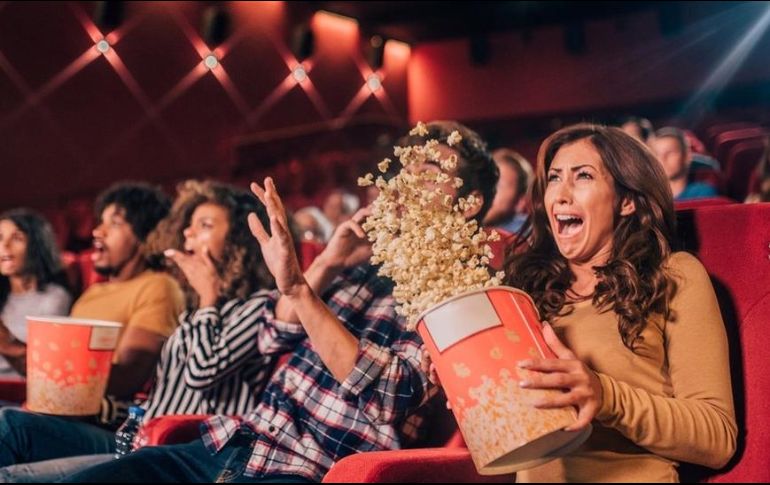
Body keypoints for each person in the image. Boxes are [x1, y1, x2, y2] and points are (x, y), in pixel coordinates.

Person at [63, 121, 500, 483]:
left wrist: (299, 291)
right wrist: (327, 261)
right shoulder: (359, 267)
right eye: (402, 171)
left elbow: (392, 393)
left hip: (306, 469)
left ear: (469, 204)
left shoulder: (463, 293)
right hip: (234, 444)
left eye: (426, 173)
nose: (404, 186)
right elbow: (273, 334)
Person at [428, 123, 736, 482]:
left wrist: (604, 396)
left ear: (627, 200)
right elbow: (513, 440)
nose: (559, 194)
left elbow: (718, 437)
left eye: (583, 176)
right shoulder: (521, 292)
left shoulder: (673, 275)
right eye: (554, 178)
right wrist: (469, 380)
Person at [0, 180, 280, 482]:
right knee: (9, 424)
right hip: (131, 434)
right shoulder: (195, 310)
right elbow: (156, 396)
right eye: (188, 225)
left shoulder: (256, 307)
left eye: (205, 225)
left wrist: (208, 299)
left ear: (240, 240)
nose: (188, 232)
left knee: (13, 472)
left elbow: (202, 372)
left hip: (176, 451)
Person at [0, 182, 185, 467]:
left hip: (115, 429)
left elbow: (126, 378)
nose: (98, 231)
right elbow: (55, 375)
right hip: (66, 417)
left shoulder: (158, 287)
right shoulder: (93, 293)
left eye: (115, 222)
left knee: (9, 425)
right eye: (100, 222)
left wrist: (9, 344)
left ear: (145, 235)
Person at [0, 209, 71, 378]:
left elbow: (46, 365)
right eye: (0, 238)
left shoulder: (54, 298)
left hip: (20, 391)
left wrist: (6, 341)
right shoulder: (4, 297)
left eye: (16, 238)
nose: (4, 245)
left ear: (37, 246)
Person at [651, 127, 717, 200]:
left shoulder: (703, 193)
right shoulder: (648, 196)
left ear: (687, 157)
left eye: (670, 152)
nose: (662, 159)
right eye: (657, 154)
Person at [482, 148, 533, 234]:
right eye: (484, 181)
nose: (485, 190)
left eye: (498, 185)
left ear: (520, 202)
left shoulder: (530, 236)